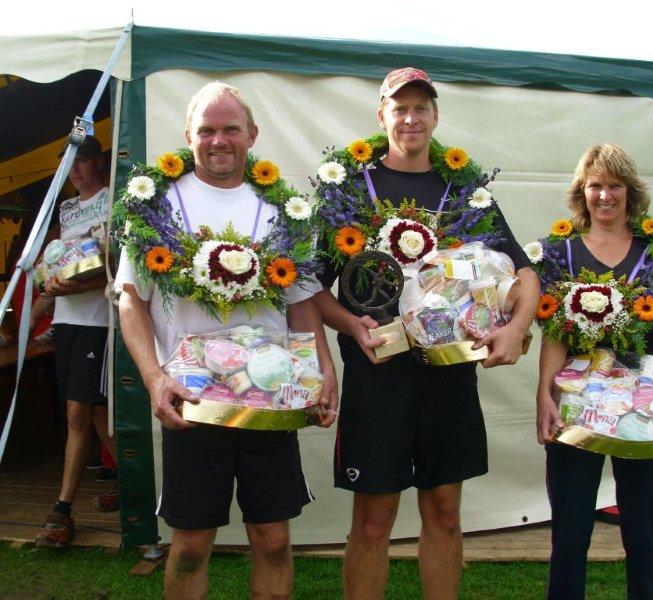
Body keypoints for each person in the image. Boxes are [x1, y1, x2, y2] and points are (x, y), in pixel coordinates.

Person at [313, 67, 539, 599]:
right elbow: (310, 286)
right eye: (400, 108)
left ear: (436, 116)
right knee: (374, 519)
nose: (410, 118)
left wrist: (516, 329)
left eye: (421, 108)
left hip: (448, 374)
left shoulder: (464, 191)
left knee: (444, 512)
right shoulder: (349, 188)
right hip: (377, 375)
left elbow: (524, 271)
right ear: (382, 116)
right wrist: (351, 325)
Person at [116, 82, 336, 600]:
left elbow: (301, 301)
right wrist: (154, 378)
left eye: (231, 128)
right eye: (207, 130)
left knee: (274, 540)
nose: (219, 140)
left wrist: (323, 371)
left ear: (252, 134)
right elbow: (131, 300)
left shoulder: (284, 210)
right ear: (188, 136)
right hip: (193, 402)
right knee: (192, 545)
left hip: (271, 395)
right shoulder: (156, 205)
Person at [535, 144, 653, 600]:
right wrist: (544, 396)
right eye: (595, 186)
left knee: (644, 529)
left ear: (631, 191)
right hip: (575, 409)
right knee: (570, 530)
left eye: (614, 186)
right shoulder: (560, 252)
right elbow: (554, 335)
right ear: (581, 192)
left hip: (647, 408)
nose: (604, 196)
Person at [35, 135, 117, 548]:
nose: (75, 170)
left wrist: (78, 285)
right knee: (94, 413)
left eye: (82, 161)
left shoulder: (113, 199)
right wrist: (41, 294)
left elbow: (115, 265)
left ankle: (62, 510)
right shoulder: (66, 209)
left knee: (77, 414)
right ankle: (137, 484)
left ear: (98, 161)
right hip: (66, 322)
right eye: (70, 164)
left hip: (96, 321)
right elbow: (59, 265)